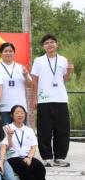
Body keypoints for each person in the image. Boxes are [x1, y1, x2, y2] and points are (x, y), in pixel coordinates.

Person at [31, 33, 75, 167]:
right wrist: (34, 98)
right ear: (43, 46)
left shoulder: (63, 60)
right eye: (46, 43)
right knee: (44, 130)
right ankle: (47, 158)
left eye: (52, 42)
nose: (49, 45)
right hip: (44, 100)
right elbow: (34, 80)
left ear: (57, 44)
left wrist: (69, 71)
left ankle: (59, 157)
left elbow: (65, 79)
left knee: (62, 130)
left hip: (60, 99)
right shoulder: (38, 61)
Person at [6, 105, 47, 180]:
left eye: (22, 113)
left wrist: (29, 157)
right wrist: (9, 136)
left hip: (26, 155)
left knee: (39, 167)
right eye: (17, 113)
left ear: (25, 115)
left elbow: (33, 146)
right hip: (12, 156)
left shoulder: (29, 130)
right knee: (24, 167)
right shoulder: (6, 128)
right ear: (11, 115)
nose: (19, 115)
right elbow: (6, 147)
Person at [0, 42, 33, 125]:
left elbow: (30, 85)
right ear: (1, 54)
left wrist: (26, 76)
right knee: (5, 131)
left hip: (20, 107)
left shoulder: (21, 67)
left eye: (10, 51)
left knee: (20, 131)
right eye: (5, 51)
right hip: (3, 107)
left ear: (14, 53)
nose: (8, 53)